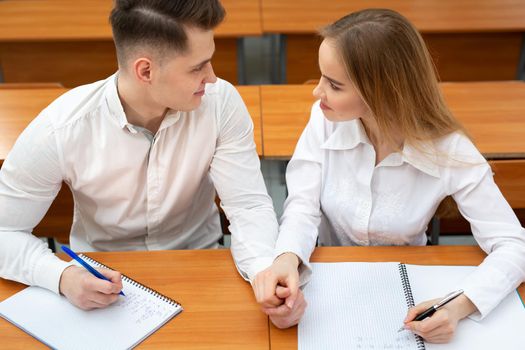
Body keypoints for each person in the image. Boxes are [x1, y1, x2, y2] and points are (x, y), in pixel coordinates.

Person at [252, 8, 525, 343]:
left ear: (381, 91)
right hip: (330, 285)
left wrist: (458, 305)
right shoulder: (323, 120)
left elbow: (514, 245)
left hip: (407, 292)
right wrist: (287, 258)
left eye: (334, 85)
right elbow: (302, 208)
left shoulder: (448, 149)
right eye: (321, 76)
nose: (316, 92)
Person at [0, 0, 277, 310]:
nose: (211, 77)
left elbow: (248, 205)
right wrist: (61, 276)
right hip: (101, 274)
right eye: (198, 67)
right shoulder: (61, 129)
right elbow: (3, 231)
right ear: (145, 70)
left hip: (198, 262)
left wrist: (264, 272)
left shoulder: (220, 103)